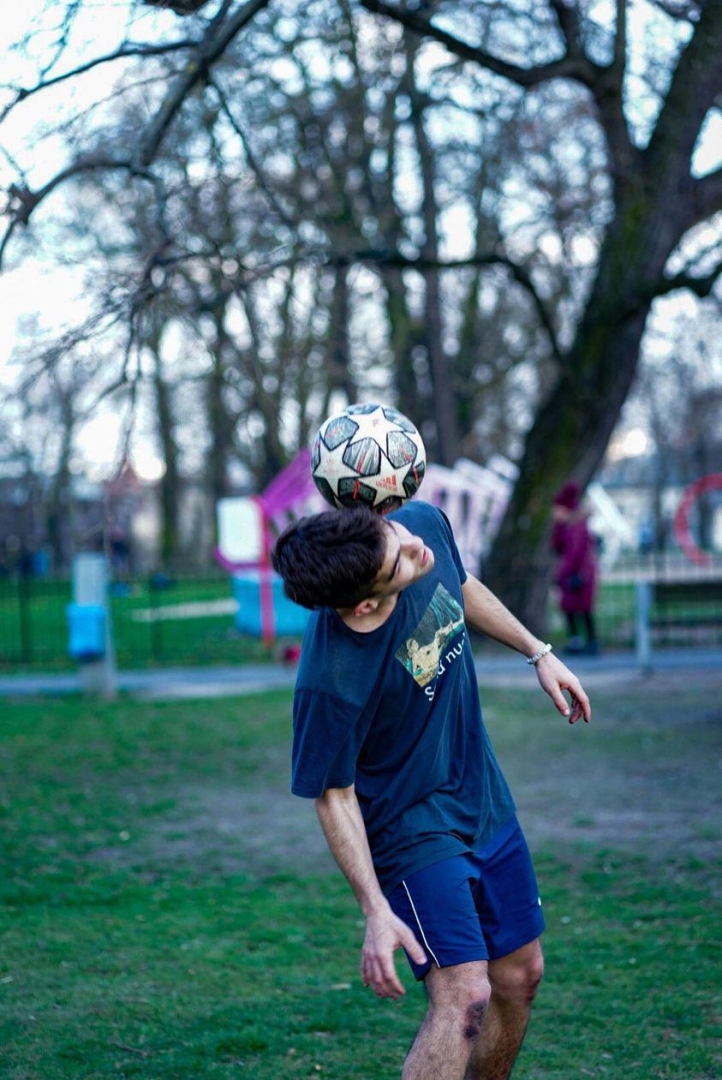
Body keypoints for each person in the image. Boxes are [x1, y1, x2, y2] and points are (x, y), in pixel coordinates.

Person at [271, 498, 591, 1080]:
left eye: (393, 533)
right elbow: (334, 796)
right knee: (465, 996)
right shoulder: (330, 684)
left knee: (519, 977)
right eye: (399, 561)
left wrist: (538, 652)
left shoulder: (418, 525)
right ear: (366, 604)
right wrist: (375, 910)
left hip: (482, 797)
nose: (415, 548)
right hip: (411, 829)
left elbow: (458, 584)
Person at [550, 481, 599, 655]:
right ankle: (577, 641)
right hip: (571, 572)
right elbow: (557, 546)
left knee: (583, 608)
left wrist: (563, 572)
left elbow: (574, 553)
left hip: (579, 573)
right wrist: (558, 526)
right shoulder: (566, 526)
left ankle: (591, 642)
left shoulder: (577, 527)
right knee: (570, 608)